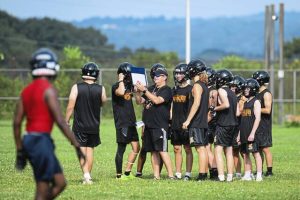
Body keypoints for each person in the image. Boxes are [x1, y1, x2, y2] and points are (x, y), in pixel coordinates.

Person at [13, 48, 85, 200]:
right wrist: (77, 145)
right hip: (40, 142)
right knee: (42, 189)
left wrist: (20, 150)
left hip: (32, 141)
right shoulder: (49, 90)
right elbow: (60, 120)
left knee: (60, 182)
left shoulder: (26, 91)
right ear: (52, 67)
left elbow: (17, 122)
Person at [65, 62, 107, 184]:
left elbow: (70, 106)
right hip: (94, 125)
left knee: (81, 150)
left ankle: (86, 176)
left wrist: (66, 120)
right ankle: (88, 175)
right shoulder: (101, 89)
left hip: (80, 125)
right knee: (90, 150)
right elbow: (103, 102)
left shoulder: (76, 87)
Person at [136, 66, 174, 180]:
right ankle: (156, 176)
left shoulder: (167, 90)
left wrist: (144, 90)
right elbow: (140, 102)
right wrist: (137, 92)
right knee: (153, 151)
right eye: (154, 76)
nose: (155, 78)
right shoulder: (151, 88)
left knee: (162, 150)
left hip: (160, 125)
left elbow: (157, 101)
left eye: (158, 76)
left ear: (164, 77)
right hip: (149, 124)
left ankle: (171, 175)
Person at [112, 62, 140, 180]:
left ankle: (127, 172)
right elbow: (121, 92)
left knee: (136, 148)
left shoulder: (130, 87)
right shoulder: (116, 86)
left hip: (131, 122)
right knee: (121, 148)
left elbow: (138, 101)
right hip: (122, 122)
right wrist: (120, 80)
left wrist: (138, 90)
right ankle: (119, 175)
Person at [182, 59, 209, 181]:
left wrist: (188, 120)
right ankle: (203, 174)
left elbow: (196, 103)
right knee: (202, 147)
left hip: (197, 122)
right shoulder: (204, 85)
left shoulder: (197, 86)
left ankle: (202, 174)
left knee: (200, 148)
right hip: (202, 122)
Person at [213, 69, 239, 182]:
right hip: (233, 124)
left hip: (223, 124)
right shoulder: (233, 93)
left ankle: (221, 176)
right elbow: (237, 112)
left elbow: (226, 105)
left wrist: (214, 108)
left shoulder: (221, 90)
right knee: (229, 150)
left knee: (218, 149)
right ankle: (229, 176)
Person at [170, 63, 193, 180]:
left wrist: (188, 122)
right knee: (176, 148)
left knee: (188, 148)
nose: (178, 75)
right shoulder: (174, 89)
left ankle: (188, 173)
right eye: (177, 73)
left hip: (186, 124)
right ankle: (178, 173)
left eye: (180, 73)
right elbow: (171, 106)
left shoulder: (190, 89)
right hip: (175, 123)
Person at [237, 78, 263, 181]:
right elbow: (242, 119)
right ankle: (247, 174)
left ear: (253, 89)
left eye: (248, 88)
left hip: (252, 133)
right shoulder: (245, 102)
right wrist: (239, 134)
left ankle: (259, 175)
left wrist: (252, 133)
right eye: (245, 88)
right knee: (245, 153)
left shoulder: (256, 102)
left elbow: (258, 118)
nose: (246, 90)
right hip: (244, 132)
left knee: (255, 153)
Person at [252, 71, 273, 176]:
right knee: (258, 148)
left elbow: (268, 110)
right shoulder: (256, 93)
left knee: (265, 148)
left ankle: (269, 171)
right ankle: (259, 169)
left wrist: (255, 109)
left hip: (264, 124)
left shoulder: (266, 93)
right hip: (256, 124)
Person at [229, 75, 246, 179]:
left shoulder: (242, 98)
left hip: (241, 127)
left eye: (234, 86)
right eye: (231, 86)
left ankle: (248, 172)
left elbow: (238, 113)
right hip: (233, 127)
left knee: (244, 152)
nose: (232, 88)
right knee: (234, 151)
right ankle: (238, 173)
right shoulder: (232, 97)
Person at [206, 67, 218, 180]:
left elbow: (211, 110)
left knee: (207, 148)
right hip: (211, 122)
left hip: (211, 122)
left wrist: (204, 122)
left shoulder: (213, 91)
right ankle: (213, 171)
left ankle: (214, 172)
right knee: (209, 148)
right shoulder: (208, 89)